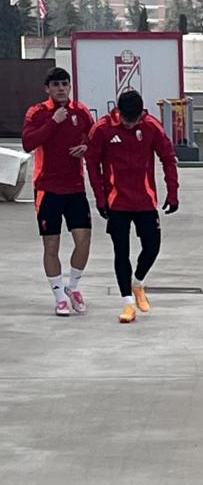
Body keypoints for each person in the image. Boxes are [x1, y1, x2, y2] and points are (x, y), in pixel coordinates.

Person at [85, 90, 180, 324]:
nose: (130, 123)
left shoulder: (150, 126)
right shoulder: (102, 129)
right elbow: (92, 163)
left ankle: (137, 283)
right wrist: (99, 197)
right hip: (117, 202)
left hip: (145, 200)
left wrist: (173, 192)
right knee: (121, 251)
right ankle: (127, 302)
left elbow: (167, 158)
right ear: (119, 112)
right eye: (127, 119)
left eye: (135, 119)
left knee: (153, 246)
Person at [21, 67, 95, 316]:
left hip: (75, 188)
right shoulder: (38, 112)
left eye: (65, 84)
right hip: (47, 189)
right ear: (47, 89)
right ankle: (58, 296)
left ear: (70, 86)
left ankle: (73, 287)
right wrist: (53, 122)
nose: (61, 88)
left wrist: (85, 146)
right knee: (51, 245)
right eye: (56, 85)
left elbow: (94, 139)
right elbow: (28, 143)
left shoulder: (81, 111)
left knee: (83, 242)